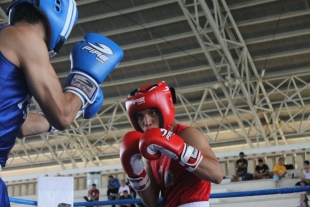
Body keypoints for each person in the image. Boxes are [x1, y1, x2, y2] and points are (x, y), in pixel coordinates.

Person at [0, 1, 123, 206]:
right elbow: (63, 115)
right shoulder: (27, 37)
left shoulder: (7, 39)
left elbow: (20, 124)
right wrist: (86, 80)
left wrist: (77, 109)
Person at [120, 81, 223, 207]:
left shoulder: (187, 134)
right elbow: (151, 201)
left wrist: (181, 150)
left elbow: (217, 175)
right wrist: (135, 173)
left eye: (152, 113)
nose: (146, 122)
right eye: (140, 116)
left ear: (164, 109)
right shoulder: (150, 151)